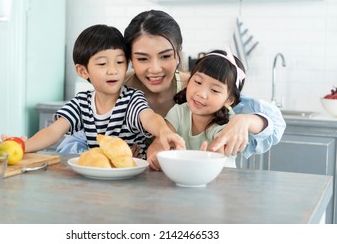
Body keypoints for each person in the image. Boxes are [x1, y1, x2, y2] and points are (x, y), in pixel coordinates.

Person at [58, 10, 285, 163]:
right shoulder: (117, 89)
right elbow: (72, 143)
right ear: (129, 59)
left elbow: (274, 122)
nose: (155, 69)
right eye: (143, 59)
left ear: (179, 53)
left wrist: (244, 120)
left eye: (165, 56)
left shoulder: (196, 88)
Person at [21, 24, 185, 153]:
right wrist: (21, 146)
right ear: (83, 71)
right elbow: (52, 132)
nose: (113, 70)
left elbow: (149, 117)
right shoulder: (81, 102)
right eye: (102, 64)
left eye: (120, 62)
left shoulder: (132, 99)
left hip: (133, 178)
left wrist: (163, 131)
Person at [147, 49, 263, 170]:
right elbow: (160, 141)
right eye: (197, 82)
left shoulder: (229, 124)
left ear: (229, 100)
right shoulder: (179, 112)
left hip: (222, 183)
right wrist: (156, 155)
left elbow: (218, 153)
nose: (201, 94)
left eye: (214, 90)